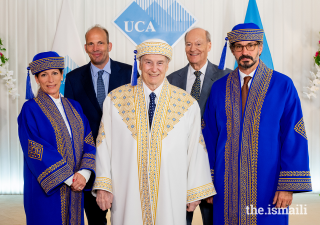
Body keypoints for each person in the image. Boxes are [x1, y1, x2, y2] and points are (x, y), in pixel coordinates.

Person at [92, 39, 216, 225]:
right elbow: (103, 145)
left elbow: (195, 149)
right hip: (127, 192)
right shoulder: (116, 100)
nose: (154, 69)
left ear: (167, 65)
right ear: (140, 64)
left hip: (171, 192)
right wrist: (103, 186)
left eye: (160, 63)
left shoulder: (186, 103)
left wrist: (194, 190)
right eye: (148, 62)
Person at [202, 23, 312, 225]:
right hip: (225, 185)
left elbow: (294, 135)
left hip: (268, 185)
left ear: (260, 47)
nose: (245, 52)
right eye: (239, 46)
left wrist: (287, 185)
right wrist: (206, 183)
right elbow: (208, 136)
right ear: (233, 50)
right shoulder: (219, 88)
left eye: (251, 46)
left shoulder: (282, 85)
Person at [64, 25, 135, 225]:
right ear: (85, 48)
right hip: (91, 161)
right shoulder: (73, 79)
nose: (96, 48)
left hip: (124, 159)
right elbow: (72, 124)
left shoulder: (130, 74)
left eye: (100, 43)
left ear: (109, 45)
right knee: (96, 220)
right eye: (91, 43)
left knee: (126, 217)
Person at [18, 51, 96, 225]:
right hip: (46, 187)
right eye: (44, 75)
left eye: (55, 73)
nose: (50, 79)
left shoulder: (74, 106)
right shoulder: (30, 109)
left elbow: (88, 140)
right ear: (37, 79)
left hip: (77, 185)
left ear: (62, 75)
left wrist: (83, 174)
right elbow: (35, 148)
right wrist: (70, 178)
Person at [167, 28, 231, 118]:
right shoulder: (171, 80)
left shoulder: (227, 77)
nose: (192, 49)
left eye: (198, 44)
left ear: (209, 46)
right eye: (188, 44)